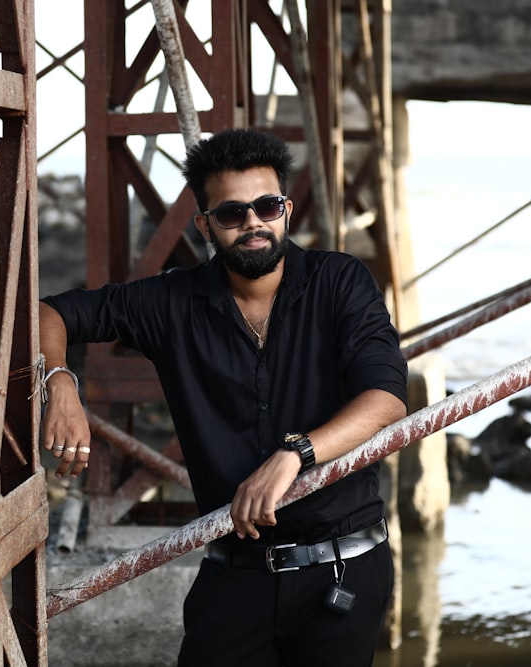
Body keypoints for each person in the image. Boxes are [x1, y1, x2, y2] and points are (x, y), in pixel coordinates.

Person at [39, 127, 408, 666]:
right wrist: (61, 383)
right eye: (233, 213)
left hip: (341, 571)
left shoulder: (341, 281)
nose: (254, 222)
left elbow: (386, 398)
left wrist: (295, 455)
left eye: (266, 206)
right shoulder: (171, 302)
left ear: (284, 208)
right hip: (235, 570)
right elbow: (51, 313)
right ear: (205, 224)